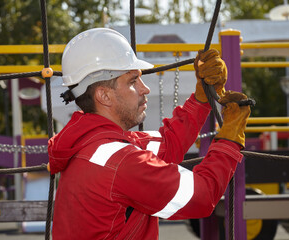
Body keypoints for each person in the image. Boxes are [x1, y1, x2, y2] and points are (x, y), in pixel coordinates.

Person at [47, 28, 250, 240]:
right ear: (104, 95)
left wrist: (201, 99)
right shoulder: (122, 160)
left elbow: (169, 144)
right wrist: (230, 139)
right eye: (133, 81)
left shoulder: (87, 145)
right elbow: (202, 196)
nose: (145, 89)